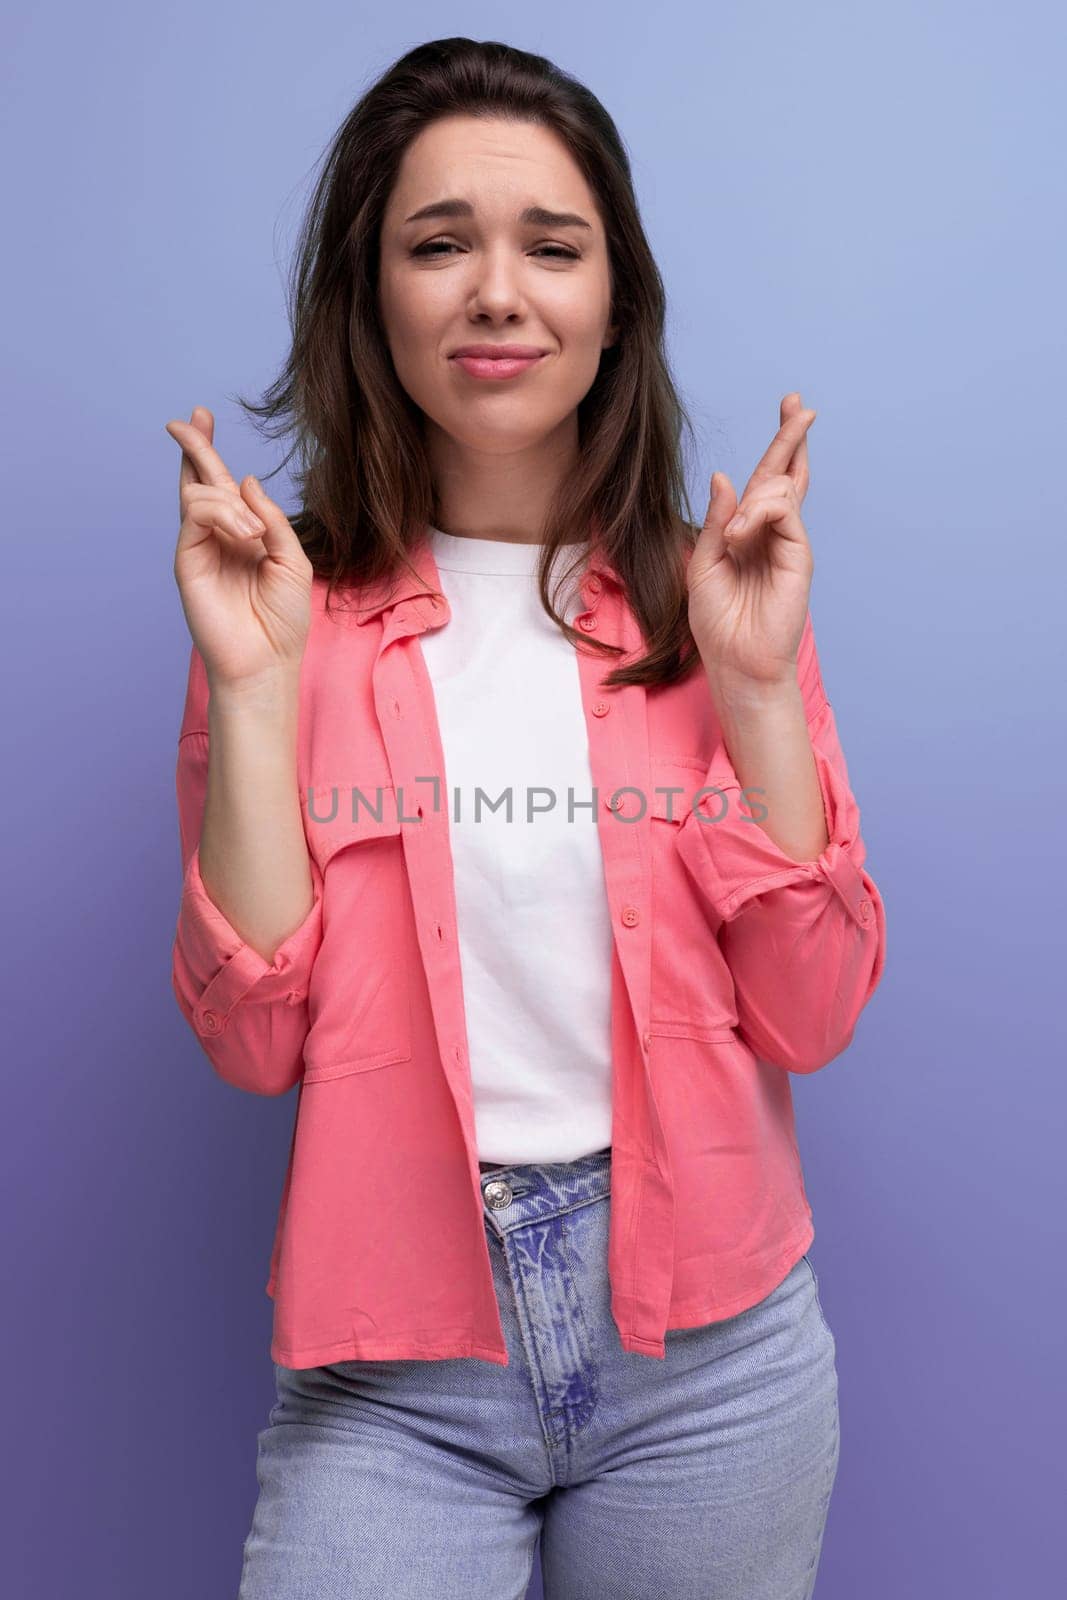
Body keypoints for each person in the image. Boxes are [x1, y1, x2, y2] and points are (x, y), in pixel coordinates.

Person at [167, 36, 885, 1600]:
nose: (499, 291)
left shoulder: (719, 605)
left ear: (613, 300)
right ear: (372, 300)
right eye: (440, 245)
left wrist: (759, 693)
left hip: (713, 1355)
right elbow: (252, 1043)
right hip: (396, 1363)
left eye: (552, 247)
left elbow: (813, 1014)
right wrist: (252, 689)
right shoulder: (285, 615)